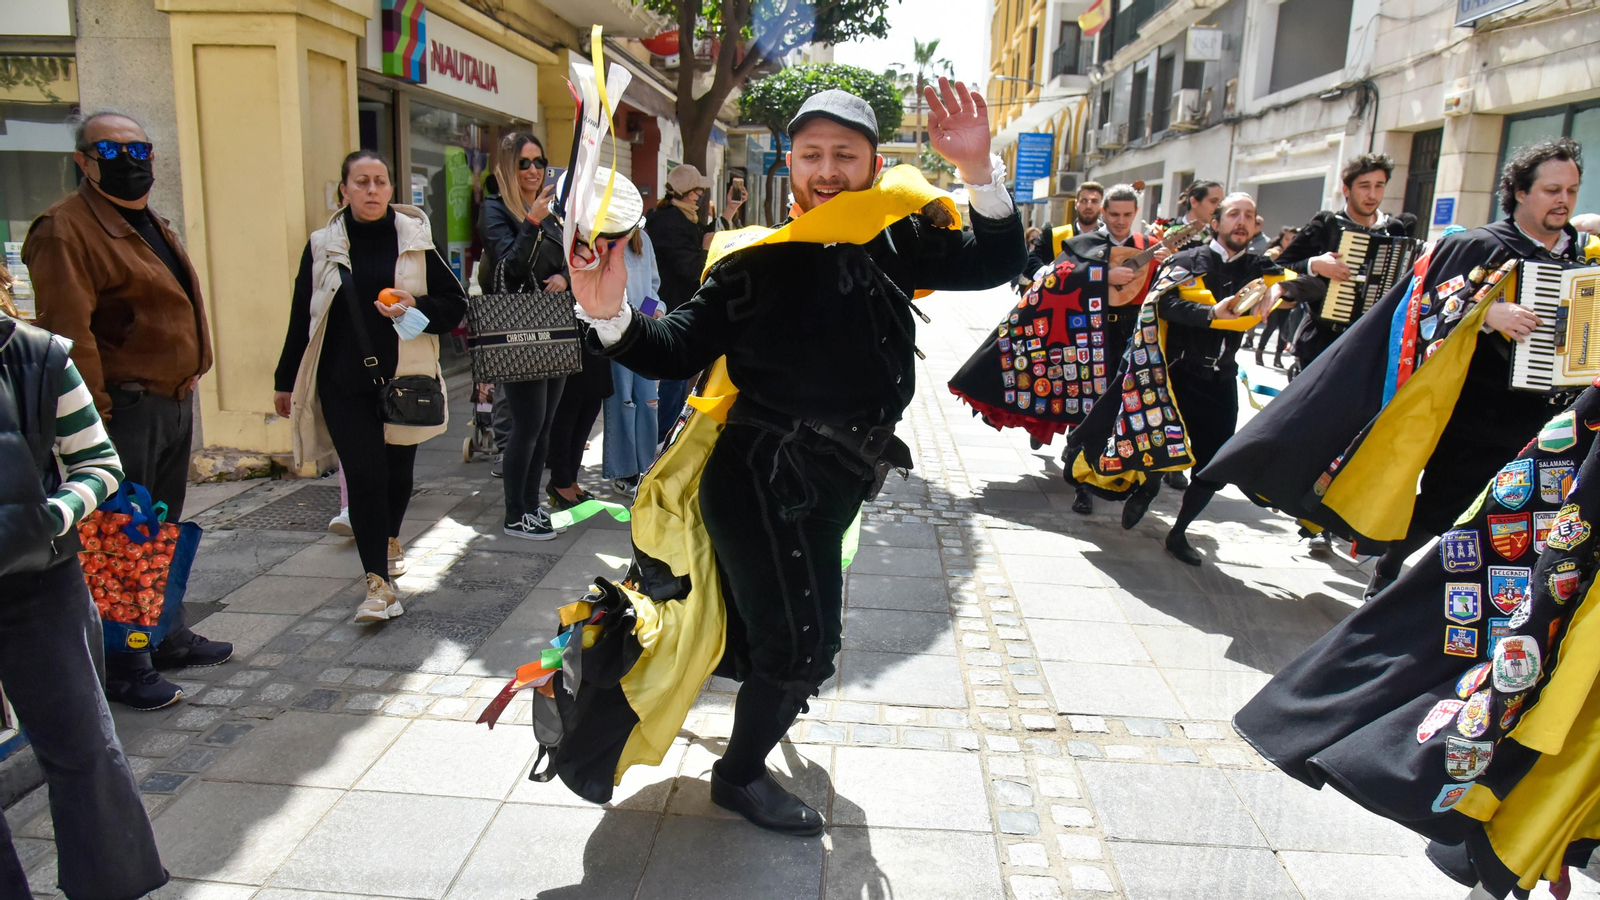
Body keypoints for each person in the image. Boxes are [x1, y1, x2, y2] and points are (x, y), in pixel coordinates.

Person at [572, 81, 1024, 834]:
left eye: (845, 154)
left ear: (873, 164)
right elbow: (674, 349)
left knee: (782, 628)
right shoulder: (757, 259)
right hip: (764, 476)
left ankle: (760, 699)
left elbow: (996, 261)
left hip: (838, 479)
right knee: (804, 648)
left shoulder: (893, 235)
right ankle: (739, 777)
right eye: (812, 154)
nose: (827, 169)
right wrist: (610, 313)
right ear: (791, 164)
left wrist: (979, 171)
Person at [1201, 138, 1591, 600]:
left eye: (1571, 190)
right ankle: (1390, 571)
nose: (1563, 200)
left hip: (1551, 410)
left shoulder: (1585, 256)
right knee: (1449, 500)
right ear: (1520, 192)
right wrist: (1485, 313)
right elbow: (1418, 309)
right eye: (1552, 190)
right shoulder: (1479, 245)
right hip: (1475, 406)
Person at [26, 108, 231, 710]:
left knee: (158, 529)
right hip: (124, 410)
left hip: (171, 400)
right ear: (83, 161)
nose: (130, 162)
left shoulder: (145, 220)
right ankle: (124, 663)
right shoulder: (64, 230)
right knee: (120, 539)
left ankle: (163, 633)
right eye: (112, 152)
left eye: (139, 150)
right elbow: (69, 335)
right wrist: (93, 425)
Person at [0, 311, 169, 900]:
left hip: (38, 585)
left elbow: (98, 463)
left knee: (83, 750)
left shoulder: (35, 356)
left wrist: (48, 519)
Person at [274, 149, 467, 620]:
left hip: (404, 380)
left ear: (391, 189)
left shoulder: (416, 240)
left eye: (380, 181)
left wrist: (414, 304)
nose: (372, 190)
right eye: (361, 182)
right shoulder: (323, 246)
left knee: (397, 473)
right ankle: (378, 586)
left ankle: (390, 537)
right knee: (365, 476)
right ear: (344, 190)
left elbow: (454, 305)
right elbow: (302, 315)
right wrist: (285, 379)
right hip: (342, 381)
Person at [1114, 192, 1285, 563]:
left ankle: (1179, 532)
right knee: (1159, 445)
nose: (1242, 221)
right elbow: (1163, 304)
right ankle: (1147, 489)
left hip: (1221, 380)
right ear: (1216, 223)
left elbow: (1306, 281)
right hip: (1177, 374)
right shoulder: (1187, 260)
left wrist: (1279, 287)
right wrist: (1210, 314)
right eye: (1234, 214)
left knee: (1214, 465)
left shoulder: (1261, 268)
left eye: (1249, 215)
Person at [949, 183, 1161, 482]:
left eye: (1127, 214)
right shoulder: (1080, 242)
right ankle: (1076, 467)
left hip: (1128, 335)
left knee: (1112, 404)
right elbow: (1058, 275)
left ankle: (1094, 463)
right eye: (1114, 214)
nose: (1121, 221)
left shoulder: (1150, 245)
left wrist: (1168, 263)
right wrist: (1102, 276)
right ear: (1104, 212)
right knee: (1081, 395)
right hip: (1083, 330)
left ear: (1136, 212)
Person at [477, 132, 570, 539]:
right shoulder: (495, 209)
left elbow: (571, 257)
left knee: (545, 426)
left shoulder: (553, 210)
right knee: (527, 425)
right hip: (518, 327)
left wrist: (565, 278)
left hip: (554, 323)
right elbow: (509, 269)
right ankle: (515, 513)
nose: (533, 170)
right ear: (507, 167)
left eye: (539, 162)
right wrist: (531, 221)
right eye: (523, 163)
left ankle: (532, 506)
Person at [1275, 153, 1415, 376]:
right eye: (1364, 186)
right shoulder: (1327, 225)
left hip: (1372, 346)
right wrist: (1314, 264)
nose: (1372, 194)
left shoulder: (1394, 229)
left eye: (1379, 186)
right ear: (1347, 190)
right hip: (1323, 343)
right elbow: (1277, 268)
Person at [645, 164, 712, 444]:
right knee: (672, 375)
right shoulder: (668, 223)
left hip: (674, 305)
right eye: (698, 190)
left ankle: (667, 432)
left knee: (678, 375)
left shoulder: (683, 217)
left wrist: (728, 213)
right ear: (687, 192)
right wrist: (705, 249)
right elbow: (689, 268)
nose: (700, 195)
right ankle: (663, 435)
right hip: (668, 307)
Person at [602, 229, 663, 495]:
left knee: (649, 401)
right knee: (622, 402)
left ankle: (646, 467)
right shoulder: (603, 239)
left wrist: (651, 312)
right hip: (615, 333)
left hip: (643, 333)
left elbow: (652, 285)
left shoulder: (643, 238)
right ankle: (624, 472)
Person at [1024, 181, 1103, 279]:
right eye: (1083, 201)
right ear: (1076, 204)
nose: (1088, 206)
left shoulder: (1109, 235)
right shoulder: (1054, 236)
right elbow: (1029, 261)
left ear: (1101, 206)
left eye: (1094, 201)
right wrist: (1048, 275)